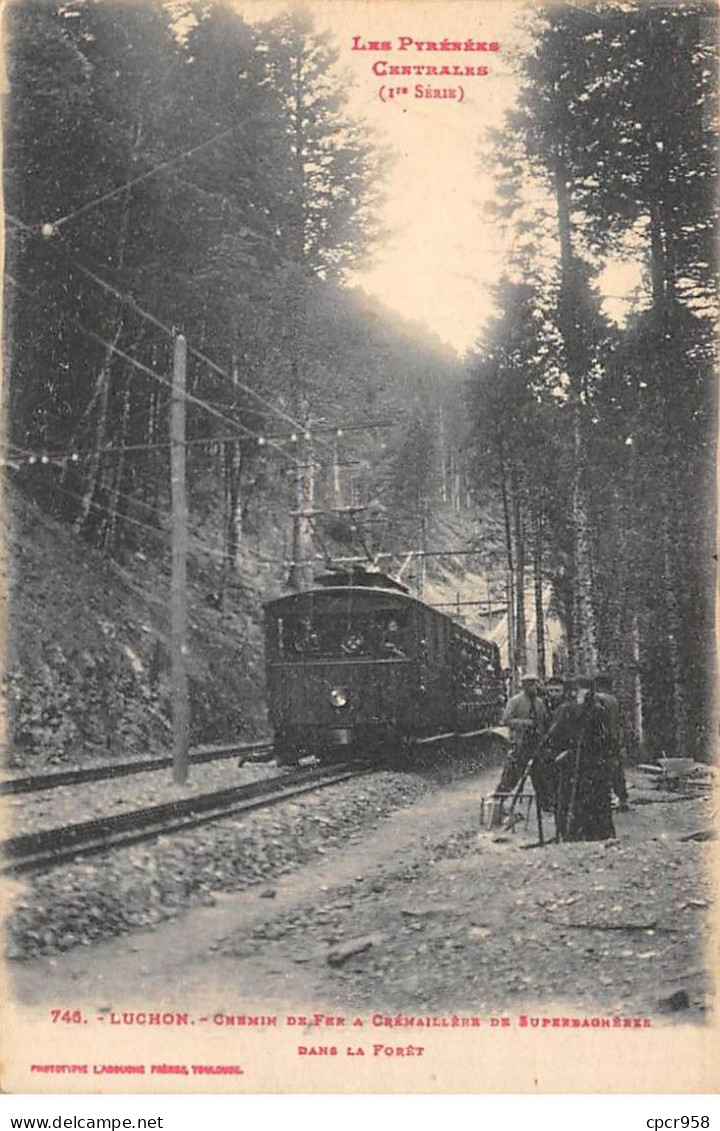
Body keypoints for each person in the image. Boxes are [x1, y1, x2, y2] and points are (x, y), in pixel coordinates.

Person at [549, 679, 616, 842]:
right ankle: (571, 834)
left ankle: (596, 835)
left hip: (592, 766)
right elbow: (553, 737)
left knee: (594, 802)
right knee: (572, 801)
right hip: (574, 765)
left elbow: (607, 740)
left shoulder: (598, 712)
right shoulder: (565, 711)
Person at [494, 672, 548, 799]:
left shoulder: (540, 703)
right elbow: (506, 720)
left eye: (535, 684)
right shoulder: (515, 701)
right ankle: (499, 800)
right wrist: (525, 723)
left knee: (541, 777)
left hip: (537, 745)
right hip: (520, 744)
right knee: (511, 776)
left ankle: (545, 803)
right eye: (530, 684)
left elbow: (544, 721)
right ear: (524, 686)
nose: (534, 687)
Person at [595, 672, 630, 811]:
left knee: (603, 769)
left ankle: (605, 799)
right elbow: (622, 721)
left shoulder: (599, 699)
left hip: (603, 739)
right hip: (615, 739)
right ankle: (622, 799)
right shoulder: (615, 700)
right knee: (617, 770)